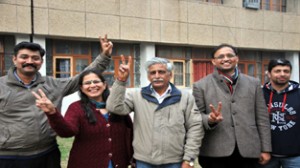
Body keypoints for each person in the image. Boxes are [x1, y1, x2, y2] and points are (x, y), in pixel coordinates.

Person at [0, 35, 112, 168]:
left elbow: (83, 77)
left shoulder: (53, 84)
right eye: (24, 57)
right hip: (8, 157)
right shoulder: (1, 85)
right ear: (14, 59)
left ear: (41, 62)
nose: (29, 61)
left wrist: (104, 56)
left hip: (48, 153)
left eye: (35, 58)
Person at [106, 56, 204, 168]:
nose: (157, 76)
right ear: (148, 76)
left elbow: (195, 127)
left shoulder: (185, 97)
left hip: (174, 161)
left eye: (161, 72)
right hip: (144, 161)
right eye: (153, 73)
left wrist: (189, 160)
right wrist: (121, 80)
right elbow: (113, 107)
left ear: (170, 75)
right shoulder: (137, 95)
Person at [32, 69, 134, 168]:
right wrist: (52, 113)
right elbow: (67, 132)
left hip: (118, 163)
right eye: (87, 83)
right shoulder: (76, 108)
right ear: (81, 88)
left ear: (104, 85)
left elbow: (130, 133)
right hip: (85, 163)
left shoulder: (117, 107)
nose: (92, 85)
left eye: (96, 81)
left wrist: (133, 157)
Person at [192, 44, 272, 168]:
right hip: (215, 152)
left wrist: (266, 149)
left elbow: (262, 118)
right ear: (213, 61)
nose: (226, 59)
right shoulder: (200, 86)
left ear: (237, 58)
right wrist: (210, 119)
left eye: (230, 55)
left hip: (248, 150)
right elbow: (196, 117)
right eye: (221, 56)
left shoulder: (254, 83)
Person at [258, 59, 300, 168]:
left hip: (295, 156)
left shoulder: (298, 93)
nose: (282, 74)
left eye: (286, 71)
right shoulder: (259, 94)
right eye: (277, 71)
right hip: (266, 155)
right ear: (269, 74)